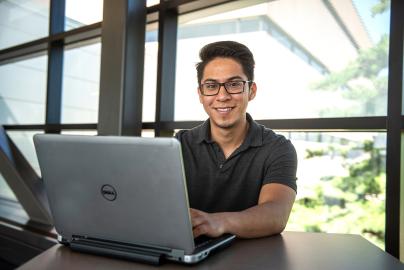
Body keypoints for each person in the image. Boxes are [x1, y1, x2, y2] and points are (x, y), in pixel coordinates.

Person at [175, 41, 297, 239]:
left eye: (234, 85)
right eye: (211, 86)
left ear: (252, 91)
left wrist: (217, 222)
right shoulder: (179, 145)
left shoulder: (278, 148)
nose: (222, 96)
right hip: (189, 254)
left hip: (255, 259)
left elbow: (277, 214)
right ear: (200, 94)